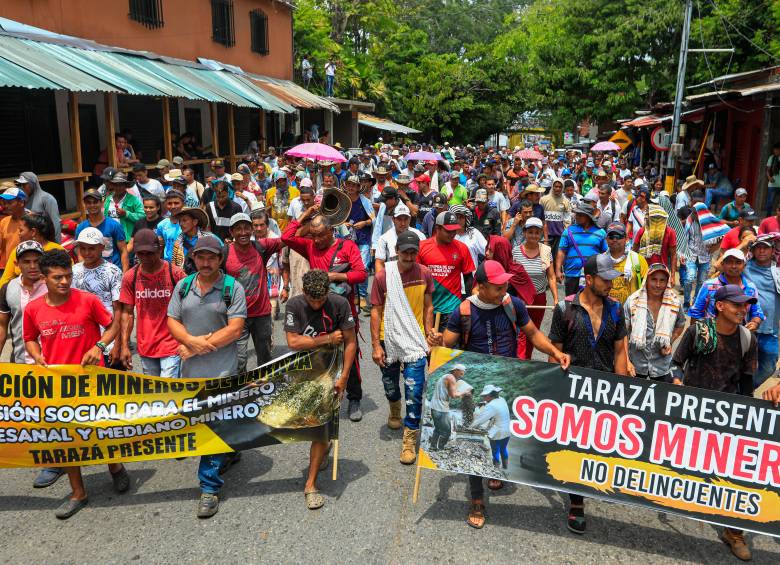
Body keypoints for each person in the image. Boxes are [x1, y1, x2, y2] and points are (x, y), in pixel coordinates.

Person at [442, 260, 570, 529]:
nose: (504, 288)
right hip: (475, 387)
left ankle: (494, 468)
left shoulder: (513, 304)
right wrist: (436, 341)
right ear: (481, 286)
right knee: (474, 439)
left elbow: (533, 334)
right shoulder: (463, 312)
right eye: (498, 286)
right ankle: (477, 499)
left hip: (505, 381)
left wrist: (555, 353)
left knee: (501, 432)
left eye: (505, 284)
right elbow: (446, 344)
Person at [23, 249, 127, 519]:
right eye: (58, 277)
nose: (65, 282)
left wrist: (100, 346)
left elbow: (112, 325)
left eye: (68, 276)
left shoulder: (88, 301)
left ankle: (115, 467)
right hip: (59, 385)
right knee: (67, 439)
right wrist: (36, 355)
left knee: (103, 430)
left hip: (93, 380)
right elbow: (30, 338)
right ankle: (78, 492)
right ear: (44, 279)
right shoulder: (33, 309)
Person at [670, 285, 757, 561]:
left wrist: (751, 415)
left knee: (734, 475)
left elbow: (746, 383)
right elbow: (676, 363)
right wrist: (676, 382)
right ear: (720, 306)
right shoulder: (698, 331)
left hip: (728, 415)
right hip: (693, 412)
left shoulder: (747, 339)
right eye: (737, 305)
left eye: (745, 306)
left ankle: (734, 532)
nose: (743, 310)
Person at [166, 235, 247, 518]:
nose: (205, 262)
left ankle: (209, 488)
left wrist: (197, 346)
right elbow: (172, 320)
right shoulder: (183, 285)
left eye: (211, 257)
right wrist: (189, 341)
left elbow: (236, 329)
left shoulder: (231, 288)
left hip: (222, 369)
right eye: (200, 257)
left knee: (211, 424)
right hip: (190, 371)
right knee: (214, 422)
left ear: (220, 259)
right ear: (194, 259)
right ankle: (230, 450)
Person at [549, 253, 628, 534]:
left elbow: (619, 351)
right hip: (573, 388)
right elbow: (554, 352)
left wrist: (624, 391)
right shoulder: (564, 309)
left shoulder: (617, 310)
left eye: (612, 279)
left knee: (597, 444)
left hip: (605, 390)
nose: (610, 284)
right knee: (575, 444)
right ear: (590, 279)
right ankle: (577, 502)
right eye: (605, 279)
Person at [282, 207, 367, 421]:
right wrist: (305, 215)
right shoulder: (310, 246)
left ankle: (354, 396)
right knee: (319, 352)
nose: (317, 239)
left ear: (331, 231)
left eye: (321, 235)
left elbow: (361, 273)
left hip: (343, 307)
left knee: (350, 351)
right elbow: (286, 236)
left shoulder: (347, 246)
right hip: (317, 310)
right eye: (313, 234)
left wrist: (335, 276)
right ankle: (322, 395)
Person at [284, 269, 357, 509]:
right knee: (306, 422)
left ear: (328, 292)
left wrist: (344, 377)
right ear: (303, 292)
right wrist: (325, 339)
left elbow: (350, 343)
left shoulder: (340, 303)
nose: (316, 304)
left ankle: (311, 484)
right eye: (311, 299)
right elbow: (293, 342)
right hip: (303, 373)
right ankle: (324, 445)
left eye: (321, 299)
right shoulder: (294, 305)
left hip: (331, 372)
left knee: (319, 428)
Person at [370, 231, 436, 464]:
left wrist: (428, 332)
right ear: (396, 251)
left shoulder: (425, 274)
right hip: (388, 340)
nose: (409, 256)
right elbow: (376, 311)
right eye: (405, 251)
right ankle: (394, 406)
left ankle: (409, 439)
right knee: (390, 386)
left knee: (415, 393)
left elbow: (429, 306)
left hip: (414, 342)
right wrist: (376, 345)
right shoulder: (382, 277)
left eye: (413, 252)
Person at [119, 229, 185, 377]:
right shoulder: (131, 277)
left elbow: (190, 306)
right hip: (146, 346)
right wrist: (124, 345)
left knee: (168, 390)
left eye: (150, 253)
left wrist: (187, 340)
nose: (145, 257)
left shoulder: (175, 274)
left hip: (172, 344)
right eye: (140, 253)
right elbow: (128, 313)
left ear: (159, 250)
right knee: (154, 393)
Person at [225, 213, 285, 371]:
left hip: (261, 314)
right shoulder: (223, 253)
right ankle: (241, 393)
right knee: (239, 360)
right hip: (236, 316)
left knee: (265, 357)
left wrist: (305, 217)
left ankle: (264, 390)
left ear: (252, 230)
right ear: (231, 232)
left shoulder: (261, 247)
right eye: (238, 229)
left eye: (246, 228)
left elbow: (288, 239)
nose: (243, 232)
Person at [71, 227, 124, 367]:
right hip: (81, 340)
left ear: (102, 247)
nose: (87, 253)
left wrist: (118, 344)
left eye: (92, 248)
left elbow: (118, 310)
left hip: (108, 340)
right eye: (83, 248)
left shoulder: (113, 272)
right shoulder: (73, 271)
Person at [624, 263, 685, 380]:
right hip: (635, 365)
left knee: (659, 397)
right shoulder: (633, 302)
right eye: (654, 279)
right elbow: (623, 334)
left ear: (667, 282)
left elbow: (680, 325)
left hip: (662, 367)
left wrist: (670, 342)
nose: (658, 285)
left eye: (662, 280)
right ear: (647, 280)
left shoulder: (675, 303)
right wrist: (626, 361)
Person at [417, 211, 475, 331]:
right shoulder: (422, 247)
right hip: (427, 308)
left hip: (452, 308)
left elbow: (468, 279)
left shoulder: (462, 248)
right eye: (448, 231)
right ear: (437, 228)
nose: (452, 234)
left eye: (454, 230)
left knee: (449, 349)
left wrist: (468, 305)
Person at [512, 217, 557, 358]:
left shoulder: (546, 252)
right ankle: (519, 361)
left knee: (533, 332)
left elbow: (551, 277)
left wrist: (556, 299)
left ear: (541, 234)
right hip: (520, 299)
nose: (533, 235)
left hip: (539, 298)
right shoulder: (515, 252)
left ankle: (527, 360)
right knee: (520, 333)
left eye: (537, 233)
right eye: (530, 232)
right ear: (524, 233)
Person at [689, 249, 764, 328]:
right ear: (722, 264)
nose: (733, 266)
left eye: (738, 262)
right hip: (711, 334)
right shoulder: (709, 285)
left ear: (744, 266)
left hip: (738, 334)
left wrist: (755, 323)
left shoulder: (750, 288)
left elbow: (757, 313)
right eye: (729, 262)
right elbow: (696, 312)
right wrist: (695, 335)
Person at [0, 241, 47, 364]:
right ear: (17, 264)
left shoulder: (53, 286)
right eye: (26, 262)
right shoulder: (8, 288)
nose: (32, 266)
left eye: (37, 261)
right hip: (19, 365)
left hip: (51, 365)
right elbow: (2, 327)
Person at [743, 235, 780, 387]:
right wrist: (744, 244)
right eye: (758, 247)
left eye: (766, 247)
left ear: (773, 251)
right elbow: (720, 266)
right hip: (746, 327)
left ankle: (745, 390)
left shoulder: (777, 272)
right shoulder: (744, 268)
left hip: (770, 331)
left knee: (769, 366)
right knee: (739, 365)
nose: (762, 251)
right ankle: (735, 393)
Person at [556, 200, 607, 297]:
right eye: (576, 214)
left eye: (580, 214)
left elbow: (605, 253)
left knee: (591, 303)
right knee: (571, 304)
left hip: (592, 276)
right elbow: (561, 251)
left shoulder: (600, 232)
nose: (577, 216)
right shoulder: (568, 231)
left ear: (588, 217)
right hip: (572, 274)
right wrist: (558, 271)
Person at [75, 188, 129, 271]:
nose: (92, 205)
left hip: (113, 270)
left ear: (102, 203)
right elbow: (80, 253)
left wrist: (125, 275)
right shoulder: (81, 228)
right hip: (91, 271)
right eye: (88, 202)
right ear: (84, 204)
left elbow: (123, 251)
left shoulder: (114, 225)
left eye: (95, 202)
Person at [342, 174, 374, 311]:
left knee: (363, 266)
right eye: (349, 184)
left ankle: (362, 295)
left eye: (354, 185)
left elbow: (373, 219)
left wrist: (364, 223)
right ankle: (353, 293)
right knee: (349, 266)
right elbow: (336, 218)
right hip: (347, 239)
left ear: (358, 187)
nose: (351, 187)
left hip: (363, 237)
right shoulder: (343, 200)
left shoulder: (365, 201)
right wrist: (345, 223)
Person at [601, 222, 647, 305]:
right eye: (611, 237)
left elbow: (646, 288)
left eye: (619, 236)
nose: (615, 240)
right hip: (605, 312)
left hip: (632, 312)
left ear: (626, 239)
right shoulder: (600, 261)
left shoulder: (638, 260)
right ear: (606, 239)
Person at [427, 364, 470, 453]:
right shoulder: (451, 378)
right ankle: (441, 448)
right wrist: (464, 393)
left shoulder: (445, 376)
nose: (462, 375)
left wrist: (459, 392)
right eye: (461, 373)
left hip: (434, 406)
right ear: (455, 370)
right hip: (441, 408)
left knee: (438, 429)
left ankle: (433, 447)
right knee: (446, 431)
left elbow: (450, 391)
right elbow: (453, 395)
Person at [632, 204, 677, 283]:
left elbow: (673, 255)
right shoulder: (642, 231)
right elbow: (634, 252)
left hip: (662, 272)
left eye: (649, 215)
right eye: (646, 214)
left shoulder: (670, 232)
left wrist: (673, 276)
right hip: (644, 272)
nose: (646, 217)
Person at [375, 203, 425, 272]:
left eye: (406, 219)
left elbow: (425, 260)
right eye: (399, 219)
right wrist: (381, 280)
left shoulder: (420, 236)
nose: (403, 223)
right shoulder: (384, 238)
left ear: (410, 219)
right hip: (393, 275)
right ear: (393, 219)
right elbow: (379, 263)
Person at [471, 385, 510, 471]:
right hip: (507, 430)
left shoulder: (491, 406)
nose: (484, 398)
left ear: (490, 395)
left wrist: (470, 426)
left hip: (497, 432)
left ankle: (496, 470)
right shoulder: (502, 399)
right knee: (503, 449)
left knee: (495, 451)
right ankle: (506, 468)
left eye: (485, 396)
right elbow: (496, 409)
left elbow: (480, 420)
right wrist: (485, 403)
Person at [15, 172, 60, 242]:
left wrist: (56, 243)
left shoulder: (47, 198)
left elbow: (55, 223)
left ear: (32, 184)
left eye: (24, 184)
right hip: (32, 243)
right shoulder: (24, 200)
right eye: (21, 185)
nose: (22, 187)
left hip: (45, 241)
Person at [171, 207, 217, 274]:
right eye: (180, 221)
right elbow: (174, 265)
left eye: (184, 220)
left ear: (195, 222)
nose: (181, 224)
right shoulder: (178, 242)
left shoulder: (210, 239)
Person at [540, 178, 571, 259]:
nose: (557, 188)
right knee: (546, 258)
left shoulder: (566, 201)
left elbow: (567, 220)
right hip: (546, 235)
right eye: (556, 186)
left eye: (560, 187)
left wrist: (566, 234)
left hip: (559, 236)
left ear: (562, 188)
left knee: (557, 258)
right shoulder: (544, 199)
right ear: (552, 187)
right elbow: (540, 217)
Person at [0, 186, 26, 267]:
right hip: (10, 269)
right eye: (5, 203)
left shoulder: (33, 221)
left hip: (30, 270)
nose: (6, 206)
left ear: (21, 203)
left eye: (10, 202)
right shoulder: (4, 222)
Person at [765, 142, 780, 216]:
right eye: (774, 150)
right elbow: (767, 170)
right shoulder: (772, 158)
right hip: (773, 184)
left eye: (777, 150)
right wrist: (769, 177)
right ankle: (768, 216)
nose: (775, 151)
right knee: (770, 202)